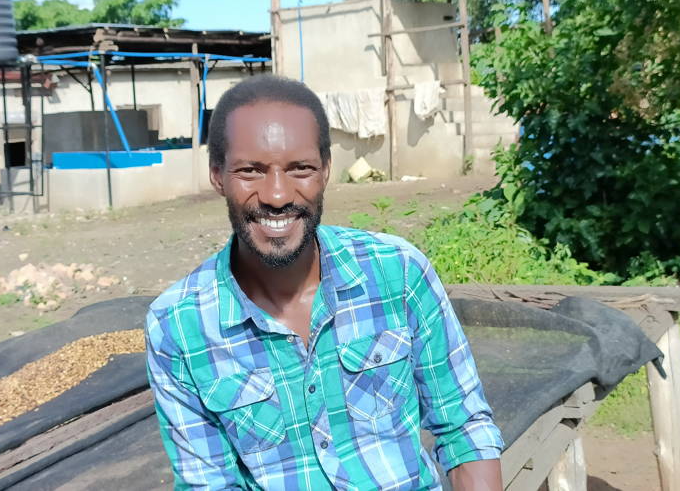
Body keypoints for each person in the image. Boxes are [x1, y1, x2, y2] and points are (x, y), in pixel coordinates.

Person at [145, 75, 503, 490]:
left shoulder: (397, 272)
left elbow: (463, 427)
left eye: (300, 169)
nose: (277, 194)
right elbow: (209, 483)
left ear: (326, 171)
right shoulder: (178, 326)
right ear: (217, 174)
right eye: (250, 171)